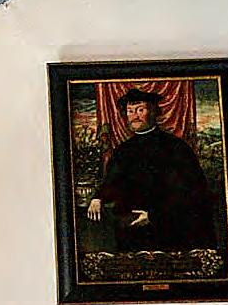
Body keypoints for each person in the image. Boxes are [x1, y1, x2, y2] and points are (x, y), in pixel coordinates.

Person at [86, 90, 214, 252]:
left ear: (153, 112)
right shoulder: (123, 150)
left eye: (140, 110)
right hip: (131, 229)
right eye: (130, 111)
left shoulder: (176, 147)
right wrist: (98, 197)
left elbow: (191, 192)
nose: (135, 116)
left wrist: (154, 216)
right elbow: (112, 181)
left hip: (169, 228)